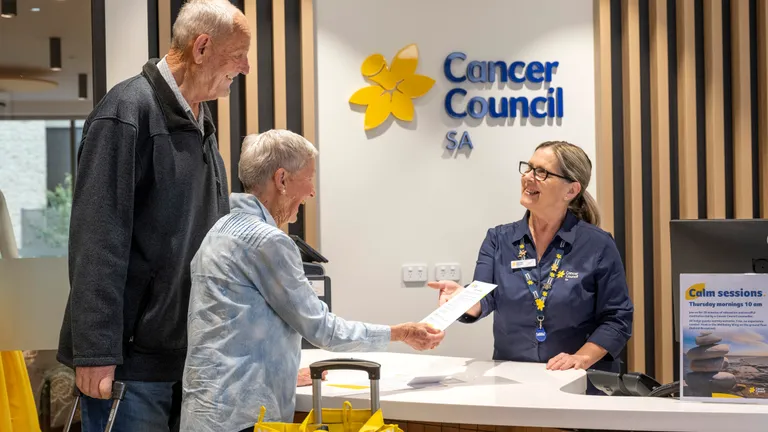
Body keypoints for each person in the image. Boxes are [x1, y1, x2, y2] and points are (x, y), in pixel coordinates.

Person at [55, 1, 250, 431]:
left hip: (187, 355)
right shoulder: (126, 111)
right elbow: (97, 239)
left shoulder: (200, 120)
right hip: (129, 364)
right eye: (239, 54)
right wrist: (96, 352)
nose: (248, 67)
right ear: (201, 48)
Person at [180, 129, 445, 432]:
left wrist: (283, 367)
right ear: (282, 180)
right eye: (309, 178)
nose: (312, 192)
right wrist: (402, 332)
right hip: (245, 419)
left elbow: (228, 328)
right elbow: (323, 330)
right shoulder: (267, 241)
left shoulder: (219, 230)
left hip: (204, 412)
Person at [428, 141, 633, 393]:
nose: (528, 177)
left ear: (571, 190)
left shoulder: (598, 245)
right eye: (528, 168)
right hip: (513, 380)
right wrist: (462, 300)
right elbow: (484, 296)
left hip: (579, 382)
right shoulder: (499, 239)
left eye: (541, 172)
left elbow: (617, 318)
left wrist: (581, 359)